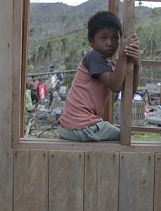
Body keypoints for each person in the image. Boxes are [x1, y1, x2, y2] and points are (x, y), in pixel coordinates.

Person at [58, 11, 140, 141]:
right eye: (104, 38)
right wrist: (123, 55)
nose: (110, 43)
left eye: (115, 38)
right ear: (92, 42)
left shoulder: (110, 65)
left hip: (75, 126)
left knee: (124, 136)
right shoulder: (93, 56)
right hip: (81, 126)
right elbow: (115, 85)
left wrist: (136, 65)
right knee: (125, 138)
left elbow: (130, 92)